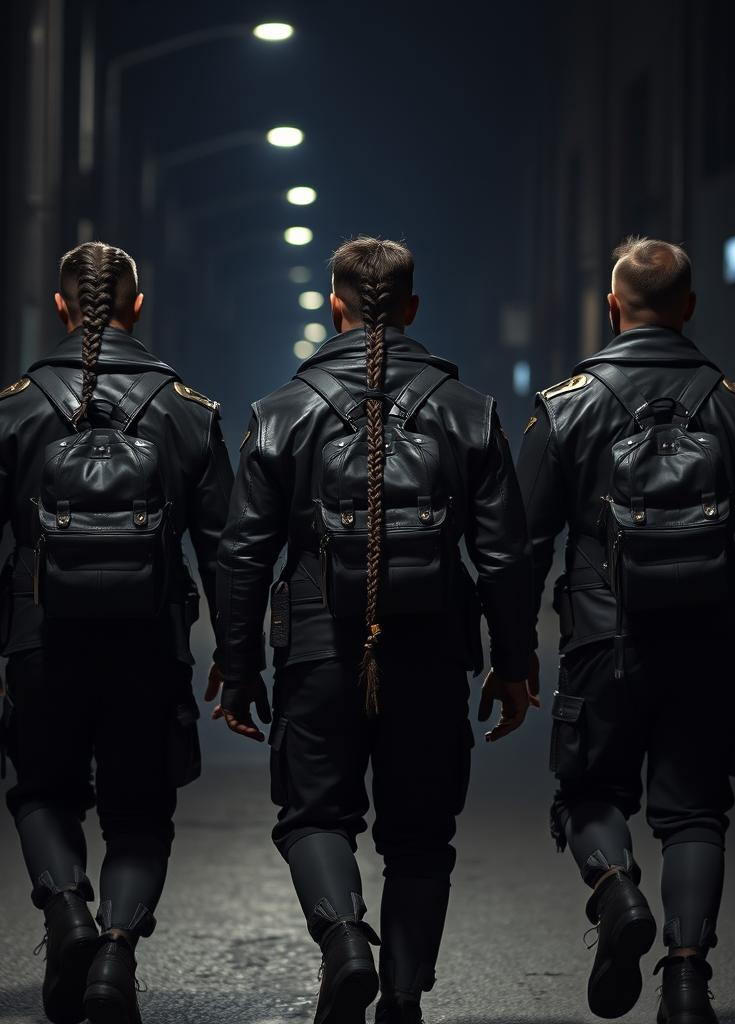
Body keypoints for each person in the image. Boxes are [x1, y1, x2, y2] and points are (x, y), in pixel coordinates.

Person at [212, 236, 535, 1024]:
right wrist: (513, 662)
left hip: (320, 646)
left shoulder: (281, 412)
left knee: (316, 814)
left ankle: (346, 942)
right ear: (414, 308)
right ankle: (400, 999)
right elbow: (504, 556)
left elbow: (243, 553)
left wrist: (239, 663)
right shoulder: (472, 413)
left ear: (336, 307)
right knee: (421, 834)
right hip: (431, 649)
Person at [517, 237, 735, 1023]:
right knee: (693, 812)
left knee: (589, 791)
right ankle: (686, 981)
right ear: (689, 308)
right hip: (710, 641)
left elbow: (520, 543)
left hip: (600, 640)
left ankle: (616, 891)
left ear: (614, 308)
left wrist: (508, 653)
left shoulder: (565, 404)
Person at [0, 241, 233, 1024]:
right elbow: (223, 548)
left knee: (42, 789)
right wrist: (236, 656)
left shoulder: (12, 407)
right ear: (138, 307)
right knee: (140, 811)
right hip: (150, 639)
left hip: (41, 634)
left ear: (62, 307)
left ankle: (67, 915)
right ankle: (113, 953)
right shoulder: (187, 409)